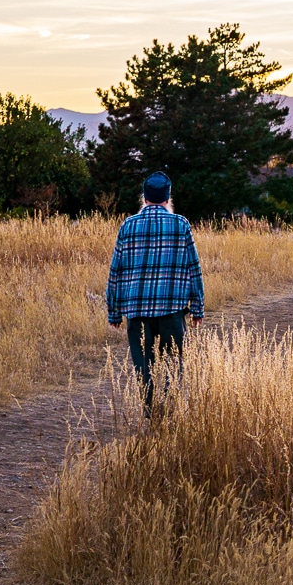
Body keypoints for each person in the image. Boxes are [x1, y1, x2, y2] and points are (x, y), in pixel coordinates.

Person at [106, 173, 204, 409]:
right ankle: (169, 412)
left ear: (145, 197)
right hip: (172, 309)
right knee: (172, 363)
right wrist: (197, 308)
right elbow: (194, 268)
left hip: (137, 311)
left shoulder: (128, 226)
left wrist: (114, 312)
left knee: (143, 365)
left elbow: (116, 271)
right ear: (168, 197)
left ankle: (150, 410)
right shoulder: (181, 224)